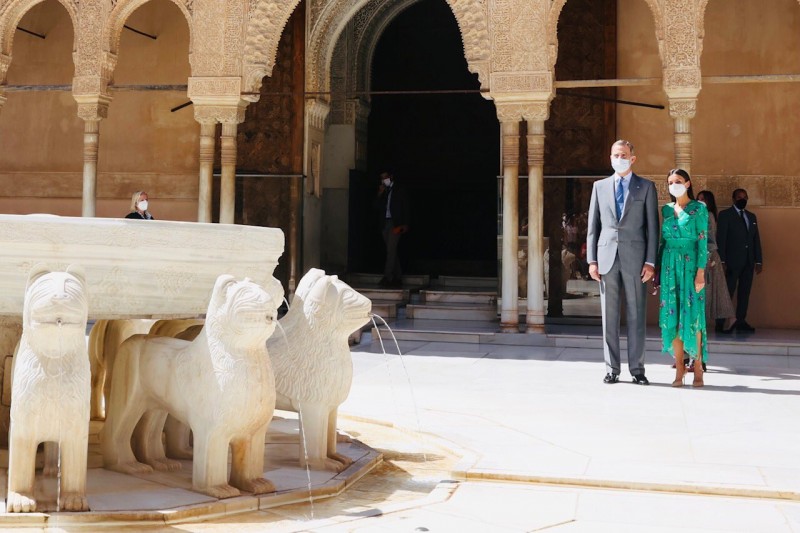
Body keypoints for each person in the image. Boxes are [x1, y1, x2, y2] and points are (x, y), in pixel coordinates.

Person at [586, 140, 659, 385]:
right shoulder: (599, 186)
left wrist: (650, 261)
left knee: (636, 315)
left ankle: (638, 369)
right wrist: (592, 260)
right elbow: (593, 226)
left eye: (624, 155)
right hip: (606, 259)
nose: (620, 158)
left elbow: (652, 227)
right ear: (610, 157)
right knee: (609, 316)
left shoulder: (646, 187)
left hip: (636, 260)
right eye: (616, 154)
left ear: (633, 158)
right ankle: (611, 368)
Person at [654, 169, 707, 387]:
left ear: (687, 183)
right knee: (671, 317)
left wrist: (701, 272)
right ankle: (679, 368)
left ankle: (697, 367)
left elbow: (703, 241)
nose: (673, 184)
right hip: (668, 267)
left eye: (678, 181)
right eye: (670, 182)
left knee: (693, 315)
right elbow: (661, 242)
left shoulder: (699, 209)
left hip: (690, 265)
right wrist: (657, 272)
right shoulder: (666, 210)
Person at [716, 188, 763, 332]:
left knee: (744, 293)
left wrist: (759, 260)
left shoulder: (751, 216)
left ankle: (740, 321)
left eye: (745, 197)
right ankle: (722, 322)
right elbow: (721, 239)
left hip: (748, 262)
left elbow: (755, 239)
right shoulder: (725, 215)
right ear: (733, 199)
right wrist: (722, 260)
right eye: (739, 197)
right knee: (727, 292)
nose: (742, 199)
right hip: (731, 262)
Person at [696, 190, 735, 336]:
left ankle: (727, 318)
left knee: (713, 290)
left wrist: (708, 257)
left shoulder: (709, 215)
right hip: (704, 256)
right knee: (715, 291)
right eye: (698, 199)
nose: (700, 202)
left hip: (709, 257)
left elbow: (710, 237)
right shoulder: (699, 215)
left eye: (703, 199)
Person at [374, 170, 409, 288]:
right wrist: (380, 193)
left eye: (385, 177)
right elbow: (377, 207)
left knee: (391, 250)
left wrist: (404, 224)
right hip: (385, 223)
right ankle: (398, 276)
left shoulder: (399, 190)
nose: (384, 180)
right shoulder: (384, 191)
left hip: (396, 223)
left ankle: (387, 276)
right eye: (382, 178)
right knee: (391, 250)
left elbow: (405, 207)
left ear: (391, 177)